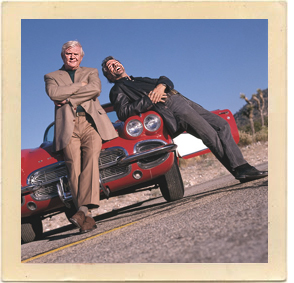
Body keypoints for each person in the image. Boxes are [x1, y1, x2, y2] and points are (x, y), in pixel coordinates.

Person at [101, 56, 268, 183]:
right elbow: (124, 112)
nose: (114, 65)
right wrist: (151, 99)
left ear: (121, 64)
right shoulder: (118, 90)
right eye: (109, 66)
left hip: (184, 101)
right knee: (210, 135)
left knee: (222, 125)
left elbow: (165, 79)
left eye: (115, 62)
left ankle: (240, 170)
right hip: (171, 106)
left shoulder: (137, 80)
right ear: (108, 75)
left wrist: (161, 86)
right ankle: (241, 168)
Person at [44, 42, 118, 234]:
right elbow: (53, 93)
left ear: (81, 56)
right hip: (67, 127)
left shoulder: (92, 71)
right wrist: (79, 87)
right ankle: (87, 219)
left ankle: (82, 210)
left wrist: (69, 99)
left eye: (76, 54)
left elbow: (95, 90)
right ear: (63, 56)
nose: (72, 57)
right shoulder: (51, 76)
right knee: (74, 169)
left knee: (91, 160)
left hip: (90, 123)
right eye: (68, 54)